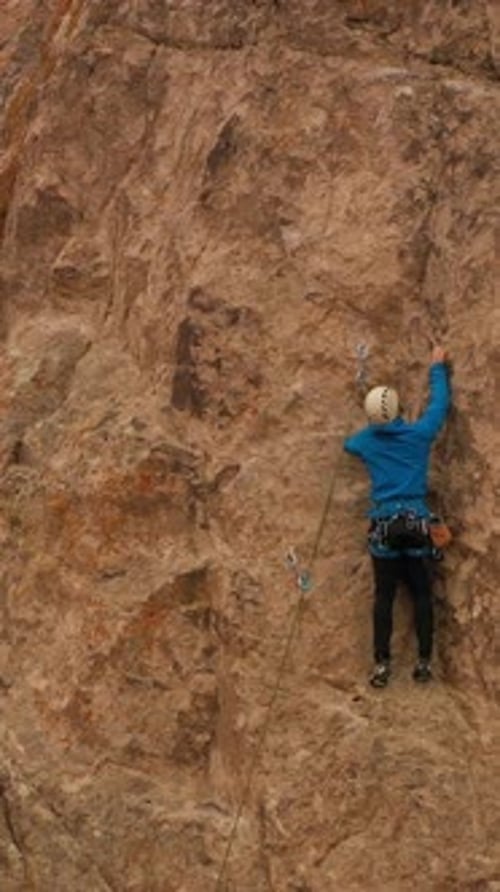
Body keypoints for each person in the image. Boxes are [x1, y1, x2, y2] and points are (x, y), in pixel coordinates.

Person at [344, 346, 451, 687]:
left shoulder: (366, 442)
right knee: (421, 594)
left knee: (385, 596)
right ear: (399, 409)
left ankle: (381, 667)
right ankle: (423, 664)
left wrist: (372, 430)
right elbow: (439, 406)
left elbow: (349, 445)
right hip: (417, 521)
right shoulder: (420, 435)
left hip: (385, 526)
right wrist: (437, 366)